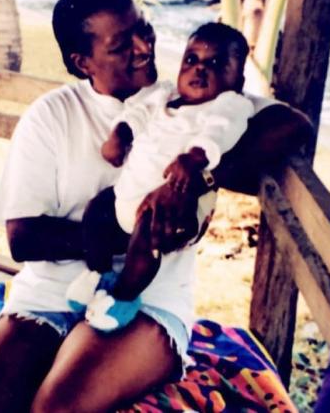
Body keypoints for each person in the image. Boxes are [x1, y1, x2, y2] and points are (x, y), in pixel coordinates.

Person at [0, 0, 310, 412]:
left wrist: (194, 179)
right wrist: (132, 234)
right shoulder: (51, 116)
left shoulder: (190, 101)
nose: (144, 47)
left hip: (151, 299)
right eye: (122, 45)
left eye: (143, 28)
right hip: (49, 294)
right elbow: (24, 239)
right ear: (82, 62)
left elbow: (292, 126)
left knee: (56, 407)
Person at [66, 23, 255, 333]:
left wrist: (194, 158)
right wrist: (121, 134)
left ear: (239, 80)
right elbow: (137, 114)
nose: (200, 69)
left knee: (147, 242)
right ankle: (99, 275)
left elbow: (220, 131)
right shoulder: (164, 94)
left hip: (167, 204)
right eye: (191, 60)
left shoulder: (228, 104)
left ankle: (123, 298)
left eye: (216, 63)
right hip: (127, 191)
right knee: (96, 214)